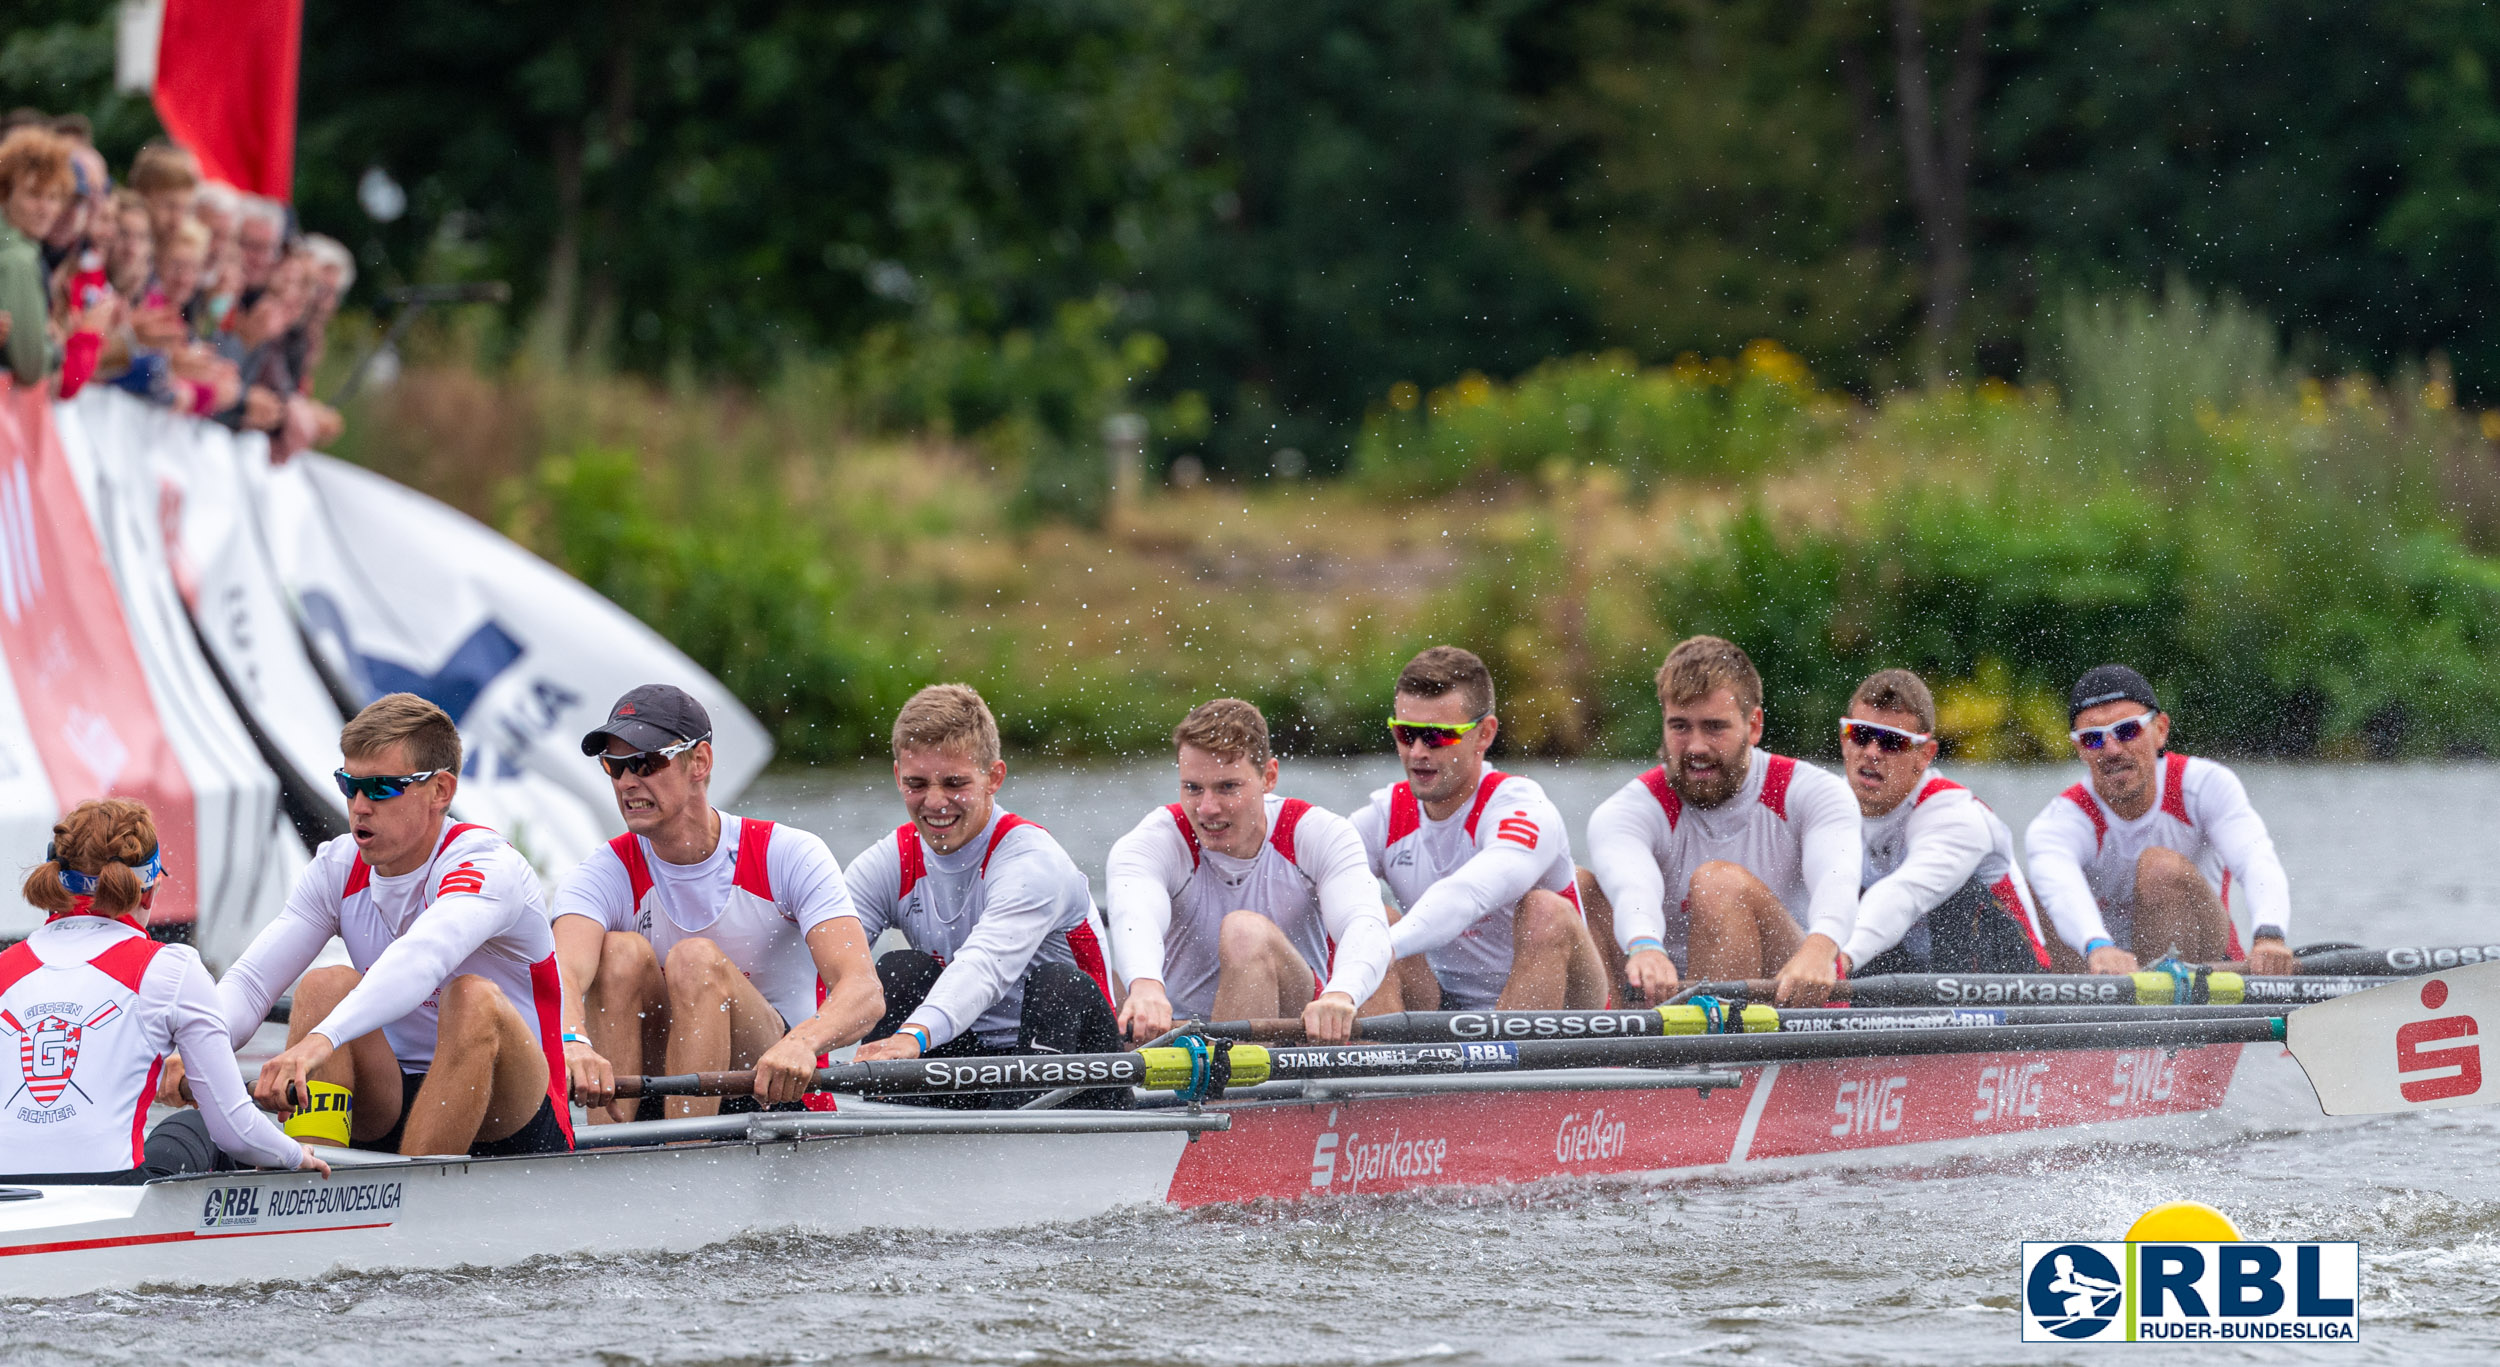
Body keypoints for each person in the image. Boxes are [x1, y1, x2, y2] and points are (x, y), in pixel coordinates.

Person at [202, 693, 575, 1156]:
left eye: (380, 788)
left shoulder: (488, 866)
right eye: (349, 784)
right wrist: (202, 1046)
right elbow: (254, 982)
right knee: (323, 985)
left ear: (441, 790)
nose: (359, 805)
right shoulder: (336, 866)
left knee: (472, 998)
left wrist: (323, 1040)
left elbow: (423, 958)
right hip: (391, 1096)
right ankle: (307, 1195)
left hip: (512, 1110)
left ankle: (412, 1205)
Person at [551, 685, 882, 1122]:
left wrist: (803, 1043)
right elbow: (560, 977)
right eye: (614, 766)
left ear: (700, 762)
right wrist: (573, 1041)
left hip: (771, 1083)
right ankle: (608, 1153)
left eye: (646, 762)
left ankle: (687, 1155)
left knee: (695, 960)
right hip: (659, 1079)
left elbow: (863, 991)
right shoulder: (603, 872)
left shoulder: (787, 854)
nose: (628, 781)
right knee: (619, 953)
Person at [0, 799, 328, 1184]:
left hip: (10, 1199)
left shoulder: (6, 968)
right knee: (196, 1123)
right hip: (110, 1196)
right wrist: (294, 1156)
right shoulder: (169, 969)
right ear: (148, 893)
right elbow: (236, 1131)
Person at [842, 684, 1123, 1106]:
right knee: (898, 971)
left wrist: (912, 1038)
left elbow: (985, 965)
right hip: (966, 1062)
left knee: (1058, 985)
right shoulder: (888, 861)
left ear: (994, 778)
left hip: (1072, 1062)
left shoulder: (1031, 860)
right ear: (898, 776)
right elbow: (817, 963)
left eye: (954, 782)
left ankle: (1022, 1144)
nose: (935, 802)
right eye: (917, 783)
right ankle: (896, 1136)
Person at [1582, 635, 1859, 1005]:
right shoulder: (1628, 810)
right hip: (1661, 992)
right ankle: (1611, 1056)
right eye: (1680, 727)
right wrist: (1645, 943)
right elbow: (1633, 888)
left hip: (1792, 989)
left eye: (1714, 727)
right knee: (1575, 890)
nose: (1696, 747)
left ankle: (1713, 1053)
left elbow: (1837, 881)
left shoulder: (1814, 792)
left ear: (1754, 725)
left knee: (1718, 883)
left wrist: (1821, 945)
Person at [1105, 698, 1395, 1044]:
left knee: (1245, 931)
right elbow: (1134, 914)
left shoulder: (1317, 832)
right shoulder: (1151, 841)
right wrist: (1146, 984)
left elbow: (1364, 922)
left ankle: (1231, 1095)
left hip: (1294, 1027)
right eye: (1193, 788)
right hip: (1173, 1033)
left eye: (1228, 787)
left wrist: (1342, 993)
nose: (1207, 808)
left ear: (1268, 777)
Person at [1352, 646, 1606, 1011]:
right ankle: (1375, 1059)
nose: (1418, 752)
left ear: (1484, 734)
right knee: (1372, 917)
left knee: (1544, 910)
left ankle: (1519, 1062)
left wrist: (1378, 953)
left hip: (1566, 1008)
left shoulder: (1522, 807)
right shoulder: (1383, 816)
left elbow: (1465, 895)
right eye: (1406, 733)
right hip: (1441, 1005)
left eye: (1438, 735)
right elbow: (1308, 880)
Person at [2024, 665, 2296, 975]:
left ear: (2160, 730)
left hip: (2207, 960)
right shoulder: (2058, 823)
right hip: (2101, 971)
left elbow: (2255, 859)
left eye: (2127, 730)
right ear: (2079, 749)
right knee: (2032, 893)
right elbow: (2060, 888)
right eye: (2093, 739)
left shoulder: (2205, 785)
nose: (2112, 750)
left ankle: (2167, 1004)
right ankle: (2086, 1003)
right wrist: (2098, 945)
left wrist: (2269, 935)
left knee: (2159, 867)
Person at [1831, 669, 2051, 976]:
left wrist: (1835, 963)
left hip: (2010, 981)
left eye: (1891, 742)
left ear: (1925, 755)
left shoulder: (1956, 814)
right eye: (1860, 735)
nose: (1871, 753)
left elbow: (1902, 896)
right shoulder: (1824, 805)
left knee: (1954, 895)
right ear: (1844, 739)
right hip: (1908, 973)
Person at [0, 125, 72, 385]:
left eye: (53, 197)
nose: (46, 209)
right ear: (5, 193)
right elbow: (31, 365)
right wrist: (55, 348)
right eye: (34, 195)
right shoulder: (17, 258)